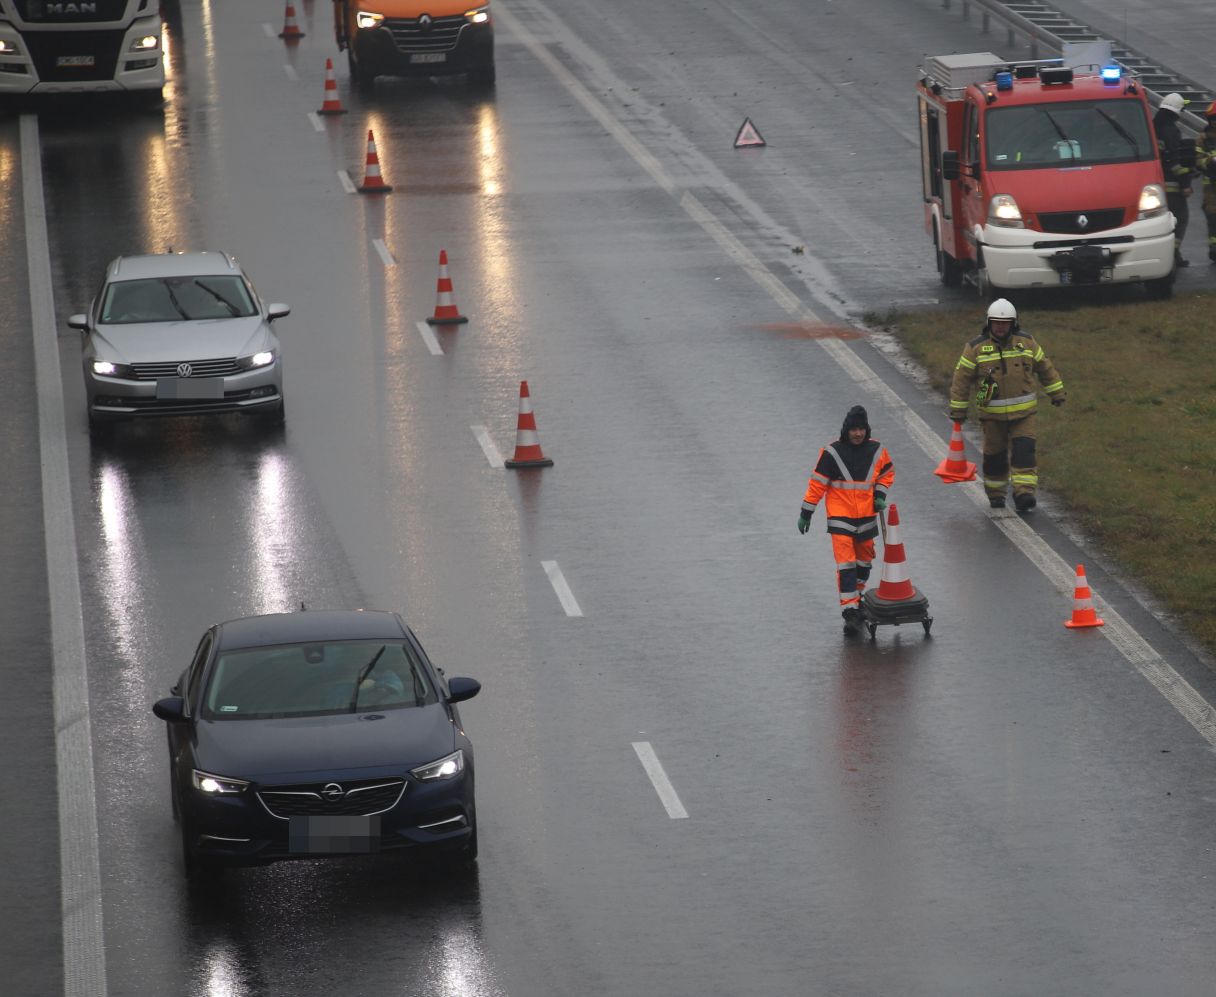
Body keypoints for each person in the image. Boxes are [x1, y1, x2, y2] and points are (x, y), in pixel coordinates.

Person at [948, 299, 1066, 512]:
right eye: (996, 322)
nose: (1000, 327)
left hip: (1024, 414)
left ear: (1013, 323)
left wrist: (1056, 392)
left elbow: (1045, 367)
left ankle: (1024, 494)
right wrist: (958, 410)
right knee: (995, 456)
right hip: (992, 417)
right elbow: (961, 379)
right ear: (988, 323)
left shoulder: (1027, 343)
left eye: (1005, 323)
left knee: (1024, 452)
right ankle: (996, 494)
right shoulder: (975, 348)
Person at [797, 405, 894, 636]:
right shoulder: (832, 453)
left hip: (867, 517)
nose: (858, 434)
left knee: (864, 563)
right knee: (847, 564)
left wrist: (880, 494)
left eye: (861, 429)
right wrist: (806, 512)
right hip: (841, 517)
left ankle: (857, 598)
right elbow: (817, 485)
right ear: (846, 430)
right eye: (853, 429)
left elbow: (887, 473)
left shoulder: (877, 450)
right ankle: (850, 611)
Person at [1154, 92, 1196, 268]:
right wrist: (1185, 184)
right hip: (1171, 185)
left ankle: (1167, 253)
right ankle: (1173, 254)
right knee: (1181, 218)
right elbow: (1174, 161)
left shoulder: (1152, 127)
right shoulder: (1171, 131)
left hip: (1154, 184)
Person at [1195, 101, 1216, 264]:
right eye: (1213, 118)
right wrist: (1209, 161)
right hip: (1211, 187)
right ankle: (1214, 248)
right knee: (1213, 217)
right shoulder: (1202, 138)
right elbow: (1197, 161)